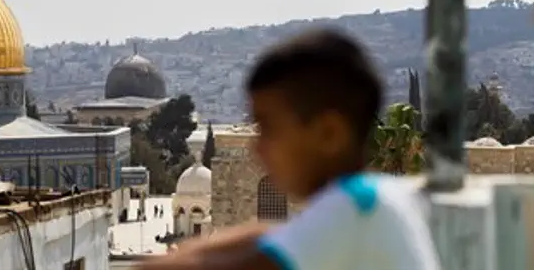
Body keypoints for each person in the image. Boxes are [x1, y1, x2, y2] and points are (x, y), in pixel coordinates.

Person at [138, 28, 440, 270]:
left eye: (269, 128)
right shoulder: (376, 200)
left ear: (329, 132)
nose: (258, 149)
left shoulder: (349, 218)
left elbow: (255, 259)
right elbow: (270, 235)